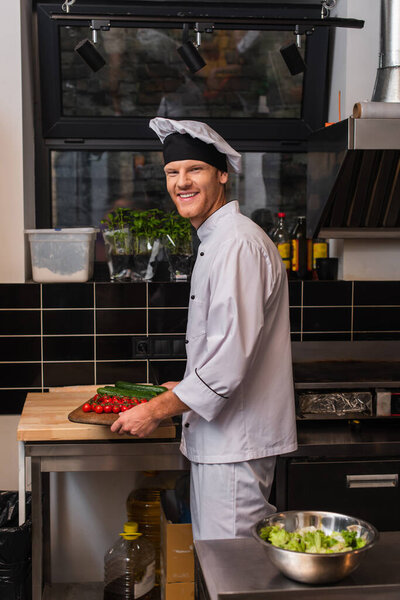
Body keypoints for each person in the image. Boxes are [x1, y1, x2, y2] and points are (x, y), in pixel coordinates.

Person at [111, 117, 297, 540]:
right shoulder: (218, 240)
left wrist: (156, 409)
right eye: (172, 173)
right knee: (222, 568)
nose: (181, 182)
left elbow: (230, 360)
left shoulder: (236, 244)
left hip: (235, 444)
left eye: (194, 169)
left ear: (222, 173)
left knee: (231, 573)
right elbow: (224, 349)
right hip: (224, 441)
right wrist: (184, 389)